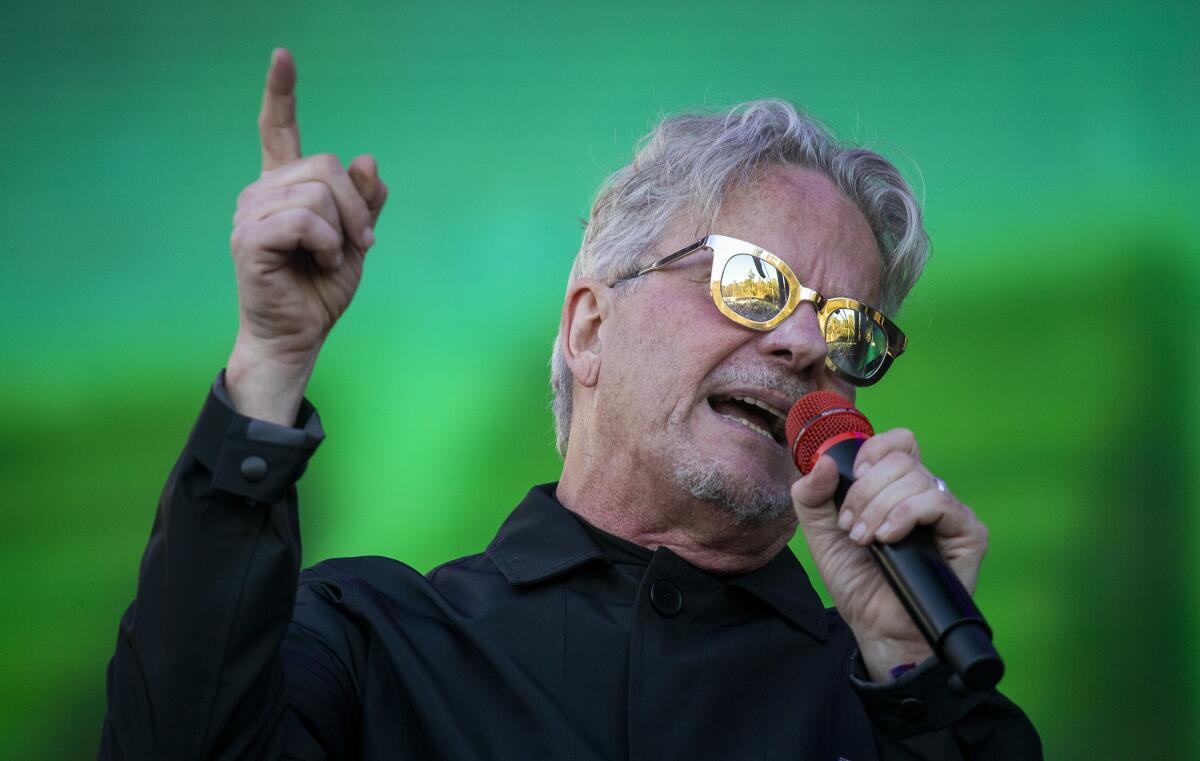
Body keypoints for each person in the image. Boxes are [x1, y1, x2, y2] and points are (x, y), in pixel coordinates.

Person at [100, 49, 1041, 760]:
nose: (802, 344)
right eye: (752, 282)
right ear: (590, 326)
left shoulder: (891, 698)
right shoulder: (374, 641)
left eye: (847, 330)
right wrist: (268, 360)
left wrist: (919, 682)